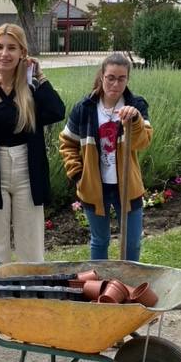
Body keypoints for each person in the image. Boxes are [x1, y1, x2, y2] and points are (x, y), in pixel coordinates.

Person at [0, 23, 65, 274]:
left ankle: (32, 292)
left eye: (11, 48)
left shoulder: (29, 89)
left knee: (30, 237)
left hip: (26, 167)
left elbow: (56, 111)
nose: (4, 53)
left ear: (22, 53)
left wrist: (40, 76)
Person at [59, 53, 153, 261]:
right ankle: (100, 288)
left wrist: (135, 119)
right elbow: (68, 143)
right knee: (99, 241)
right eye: (111, 77)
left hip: (128, 188)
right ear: (102, 76)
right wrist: (78, 175)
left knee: (132, 242)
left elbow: (142, 142)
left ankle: (128, 286)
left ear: (127, 79)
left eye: (121, 78)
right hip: (94, 187)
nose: (115, 83)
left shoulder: (136, 105)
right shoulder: (84, 109)